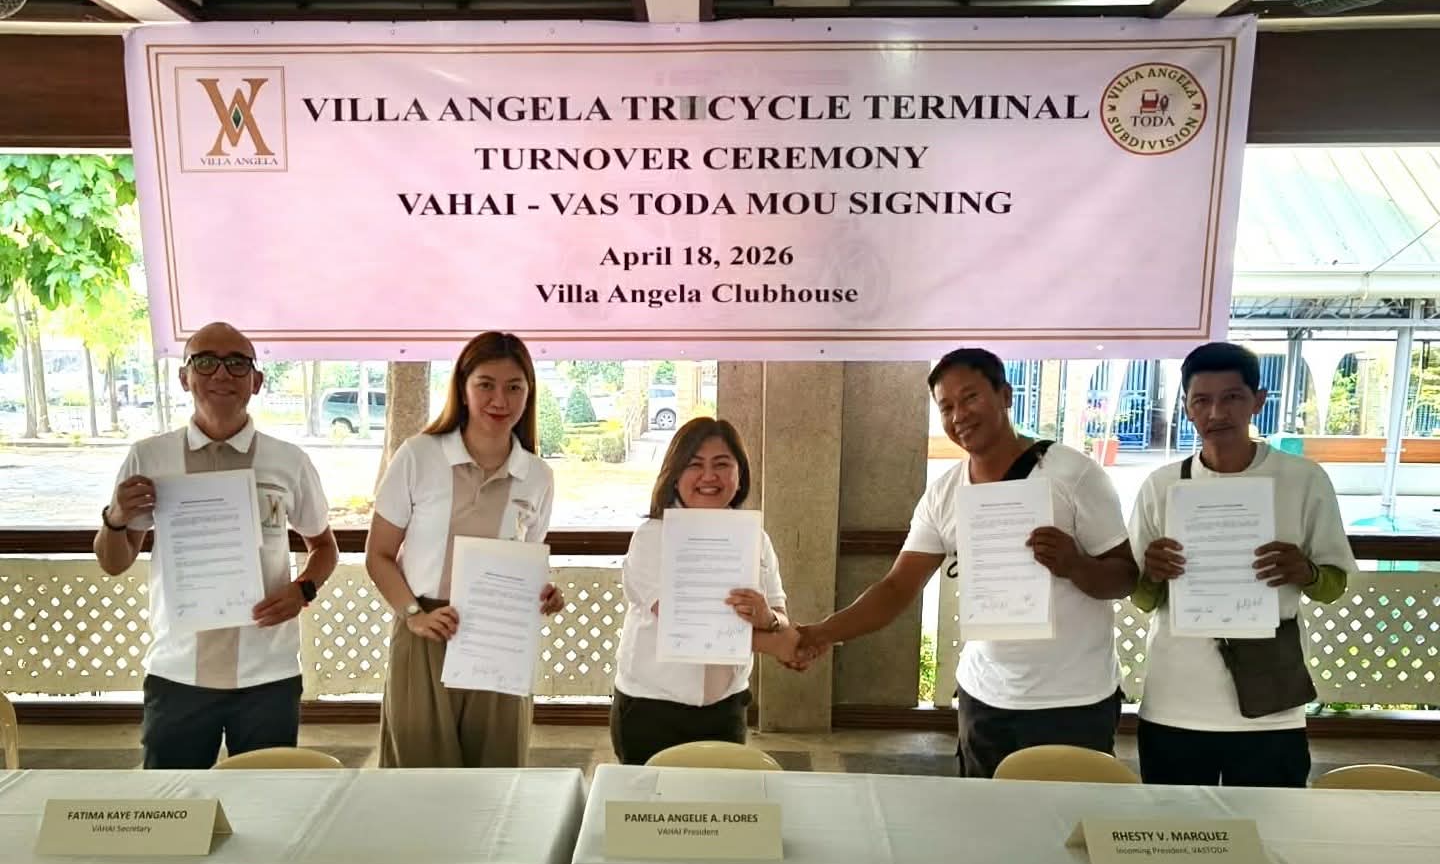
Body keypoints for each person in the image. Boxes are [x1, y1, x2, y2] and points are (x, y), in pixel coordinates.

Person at [796, 348, 1138, 777]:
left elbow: (1125, 577)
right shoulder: (945, 494)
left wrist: (1075, 565)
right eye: (946, 407)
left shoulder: (1074, 475)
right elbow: (896, 588)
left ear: (1005, 395)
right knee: (983, 815)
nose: (959, 415)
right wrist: (820, 633)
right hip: (984, 699)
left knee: (1067, 817)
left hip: (1073, 700)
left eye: (970, 397)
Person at [94, 322, 337, 769]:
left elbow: (324, 546)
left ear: (256, 381)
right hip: (178, 670)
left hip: (269, 672)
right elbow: (114, 562)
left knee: (268, 802)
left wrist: (302, 590)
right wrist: (116, 517)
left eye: (237, 363)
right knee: (174, 803)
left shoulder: (289, 461)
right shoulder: (149, 457)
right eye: (205, 361)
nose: (221, 373)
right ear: (184, 377)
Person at [1130, 342, 1355, 787]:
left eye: (1232, 397)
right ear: (1187, 408)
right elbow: (1142, 599)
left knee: (1272, 823)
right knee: (1171, 825)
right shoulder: (1161, 485)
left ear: (1258, 401)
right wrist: (1153, 573)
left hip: (1270, 706)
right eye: (1201, 400)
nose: (1217, 412)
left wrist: (1305, 571)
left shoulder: (1303, 479)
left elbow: (1334, 586)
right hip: (1175, 700)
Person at [367, 332, 563, 767]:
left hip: (499, 637)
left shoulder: (537, 476)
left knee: (496, 777)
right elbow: (378, 554)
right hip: (426, 630)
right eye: (486, 384)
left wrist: (544, 594)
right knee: (419, 778)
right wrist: (414, 615)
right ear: (462, 387)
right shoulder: (419, 455)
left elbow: (526, 560)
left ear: (529, 393)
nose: (500, 400)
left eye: (514, 387)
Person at [610, 418, 799, 765]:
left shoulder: (757, 539)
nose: (709, 476)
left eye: (722, 464)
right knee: (651, 798)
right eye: (695, 465)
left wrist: (769, 619)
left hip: (726, 705)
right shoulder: (652, 537)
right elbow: (691, 627)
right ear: (674, 475)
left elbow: (781, 617)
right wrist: (783, 644)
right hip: (651, 706)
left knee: (719, 797)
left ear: (739, 474)